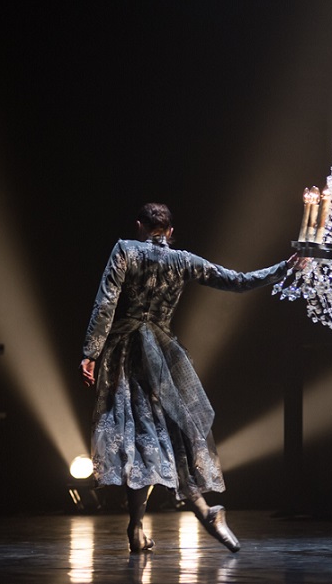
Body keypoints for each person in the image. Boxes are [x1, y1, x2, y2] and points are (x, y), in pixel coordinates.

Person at [79, 202, 299, 553]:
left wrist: (91, 352)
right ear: (169, 231)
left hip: (128, 354)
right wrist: (283, 268)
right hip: (164, 356)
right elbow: (237, 281)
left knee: (142, 438)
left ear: (140, 226)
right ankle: (175, 518)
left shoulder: (125, 250)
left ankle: (167, 519)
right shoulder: (183, 261)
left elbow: (105, 303)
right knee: (164, 436)